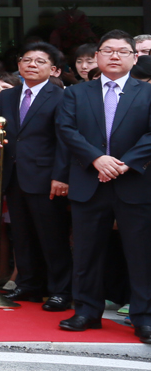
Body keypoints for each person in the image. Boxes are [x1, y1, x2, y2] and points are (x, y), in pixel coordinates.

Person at [55, 30, 151, 343]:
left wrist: (123, 163)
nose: (114, 56)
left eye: (122, 51)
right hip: (89, 180)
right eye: (107, 50)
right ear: (96, 56)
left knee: (140, 254)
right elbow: (67, 130)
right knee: (86, 251)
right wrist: (98, 159)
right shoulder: (76, 93)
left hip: (134, 181)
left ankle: (144, 317)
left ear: (135, 58)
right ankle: (86, 310)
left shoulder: (147, 92)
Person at [0, 41, 72, 312]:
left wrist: (61, 176)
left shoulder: (61, 96)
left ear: (53, 69)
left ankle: (61, 290)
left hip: (46, 177)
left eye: (40, 61)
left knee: (52, 236)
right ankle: (29, 284)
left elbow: (65, 141)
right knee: (22, 234)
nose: (31, 65)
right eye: (27, 60)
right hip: (14, 175)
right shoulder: (7, 97)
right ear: (18, 65)